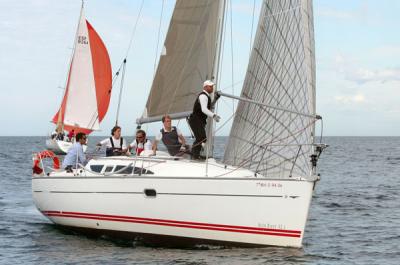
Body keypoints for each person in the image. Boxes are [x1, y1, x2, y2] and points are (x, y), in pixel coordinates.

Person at [188, 80, 221, 160]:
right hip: (195, 120)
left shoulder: (207, 96)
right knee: (202, 138)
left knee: (201, 138)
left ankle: (195, 155)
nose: (212, 88)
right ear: (205, 87)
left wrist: (216, 98)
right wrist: (214, 116)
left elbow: (208, 107)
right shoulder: (203, 96)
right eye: (210, 86)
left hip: (199, 120)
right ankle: (194, 155)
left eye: (212, 86)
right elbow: (204, 109)